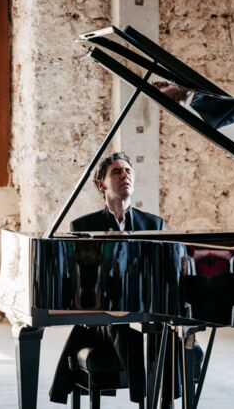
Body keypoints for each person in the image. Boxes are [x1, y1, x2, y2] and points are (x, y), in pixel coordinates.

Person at [49, 152, 164, 405]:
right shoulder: (83, 225)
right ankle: (145, 400)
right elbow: (80, 285)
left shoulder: (153, 223)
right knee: (125, 329)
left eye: (128, 171)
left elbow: (157, 274)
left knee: (167, 334)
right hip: (101, 315)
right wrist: (107, 256)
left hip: (142, 306)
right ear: (101, 183)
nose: (125, 175)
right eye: (117, 172)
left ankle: (166, 400)